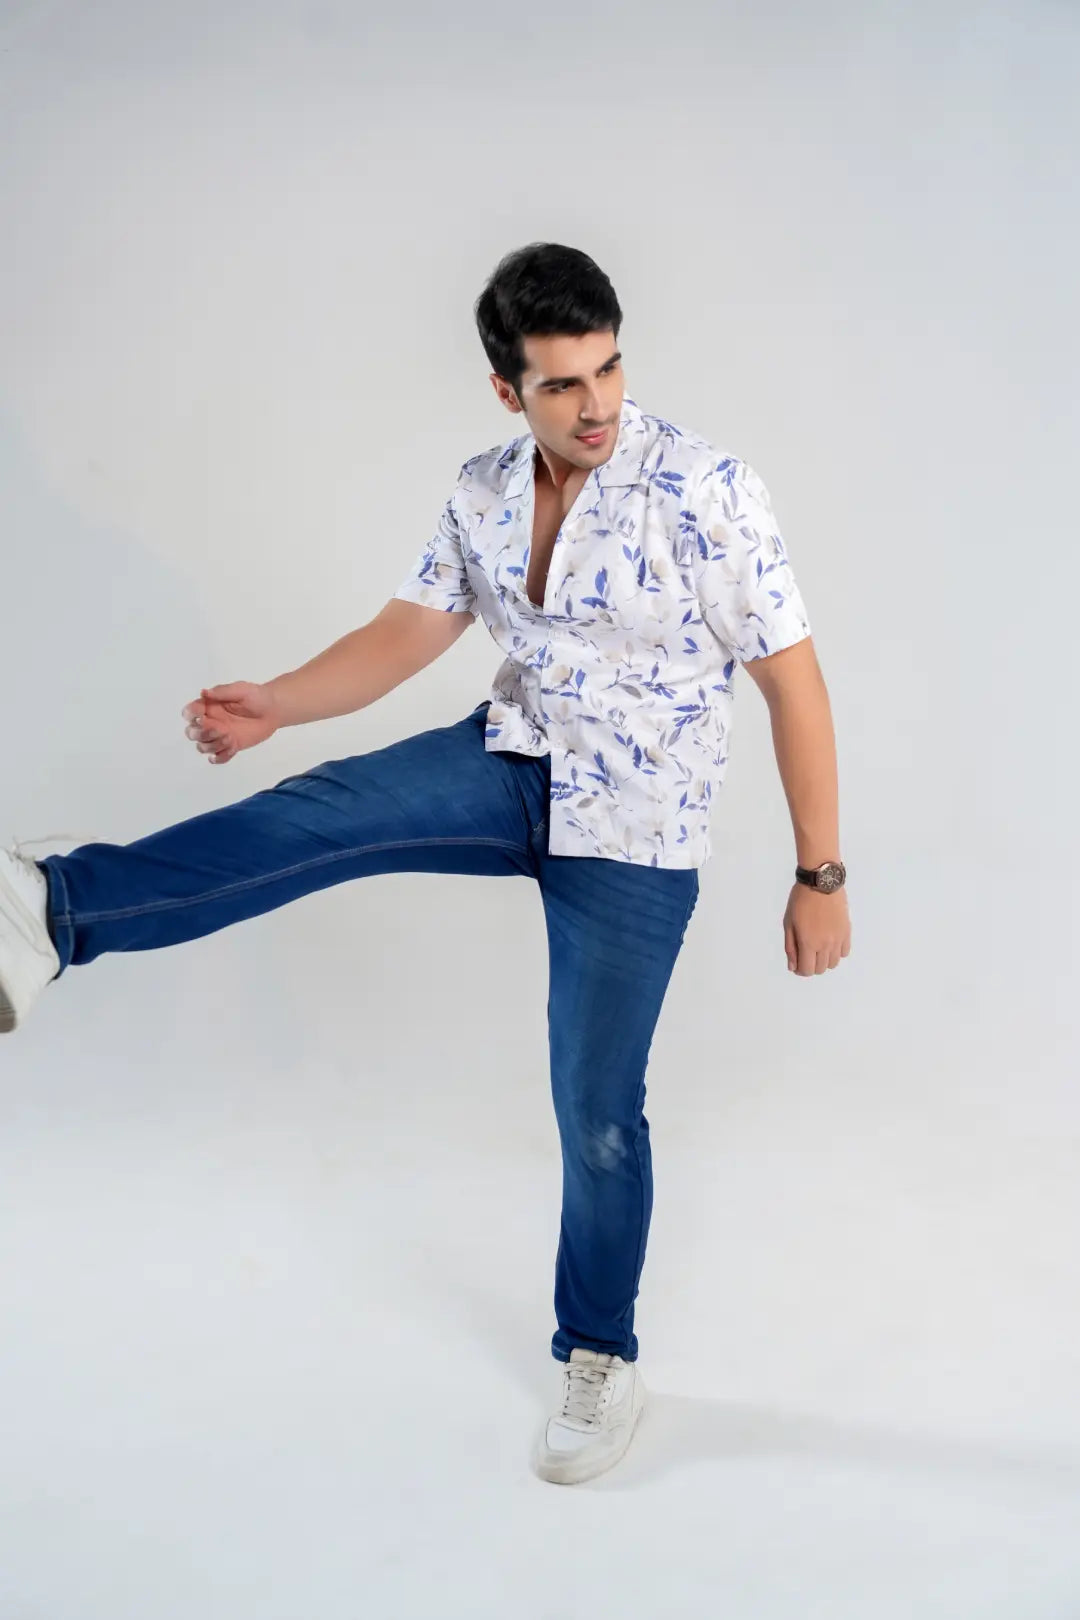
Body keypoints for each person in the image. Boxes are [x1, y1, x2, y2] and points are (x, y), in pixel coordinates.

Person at [0, 240, 851, 1486]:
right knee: (316, 815)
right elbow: (407, 633)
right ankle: (45, 906)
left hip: (635, 828)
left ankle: (600, 1358)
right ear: (508, 389)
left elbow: (794, 680)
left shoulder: (707, 489)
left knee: (597, 1114)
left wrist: (819, 873)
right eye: (562, 384)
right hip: (509, 763)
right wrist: (279, 704)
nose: (597, 405)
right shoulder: (485, 487)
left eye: (608, 369)